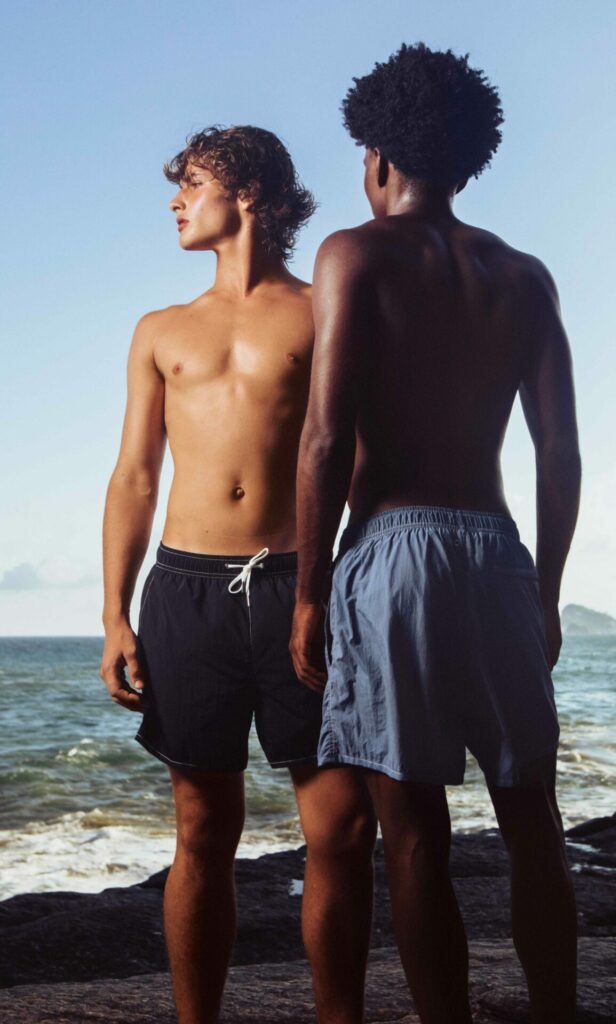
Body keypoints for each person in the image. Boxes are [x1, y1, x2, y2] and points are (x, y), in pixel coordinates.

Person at [291, 44, 581, 1024]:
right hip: (497, 553)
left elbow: (326, 437)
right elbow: (559, 457)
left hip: (394, 548)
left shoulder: (351, 254)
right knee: (530, 818)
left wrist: (303, 592)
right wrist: (541, 592)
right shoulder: (522, 276)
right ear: (467, 160)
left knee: (411, 831)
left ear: (376, 158)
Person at [100, 125, 376, 1024]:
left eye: (192, 183)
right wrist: (112, 613)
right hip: (185, 591)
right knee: (203, 830)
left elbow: (362, 460)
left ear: (247, 191)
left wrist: (335, 591)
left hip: (302, 584)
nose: (177, 201)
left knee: (339, 828)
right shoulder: (160, 331)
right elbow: (135, 474)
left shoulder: (320, 310)